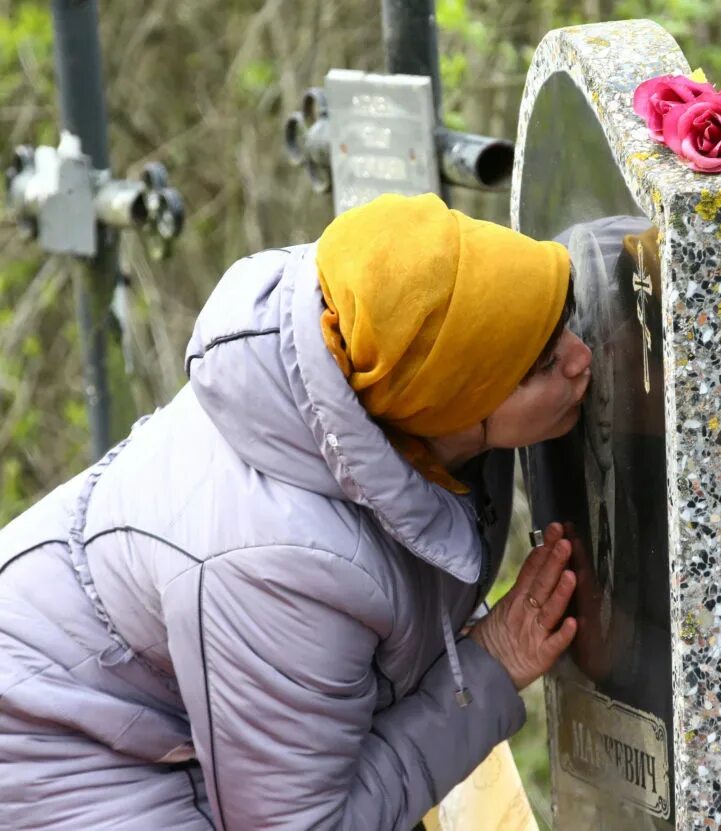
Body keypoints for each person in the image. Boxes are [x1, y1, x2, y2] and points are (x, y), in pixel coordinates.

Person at [0, 193, 593, 830]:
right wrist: (492, 667)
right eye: (539, 364)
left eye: (560, 319)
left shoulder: (373, 334)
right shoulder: (280, 562)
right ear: (452, 408)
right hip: (59, 761)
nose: (582, 356)